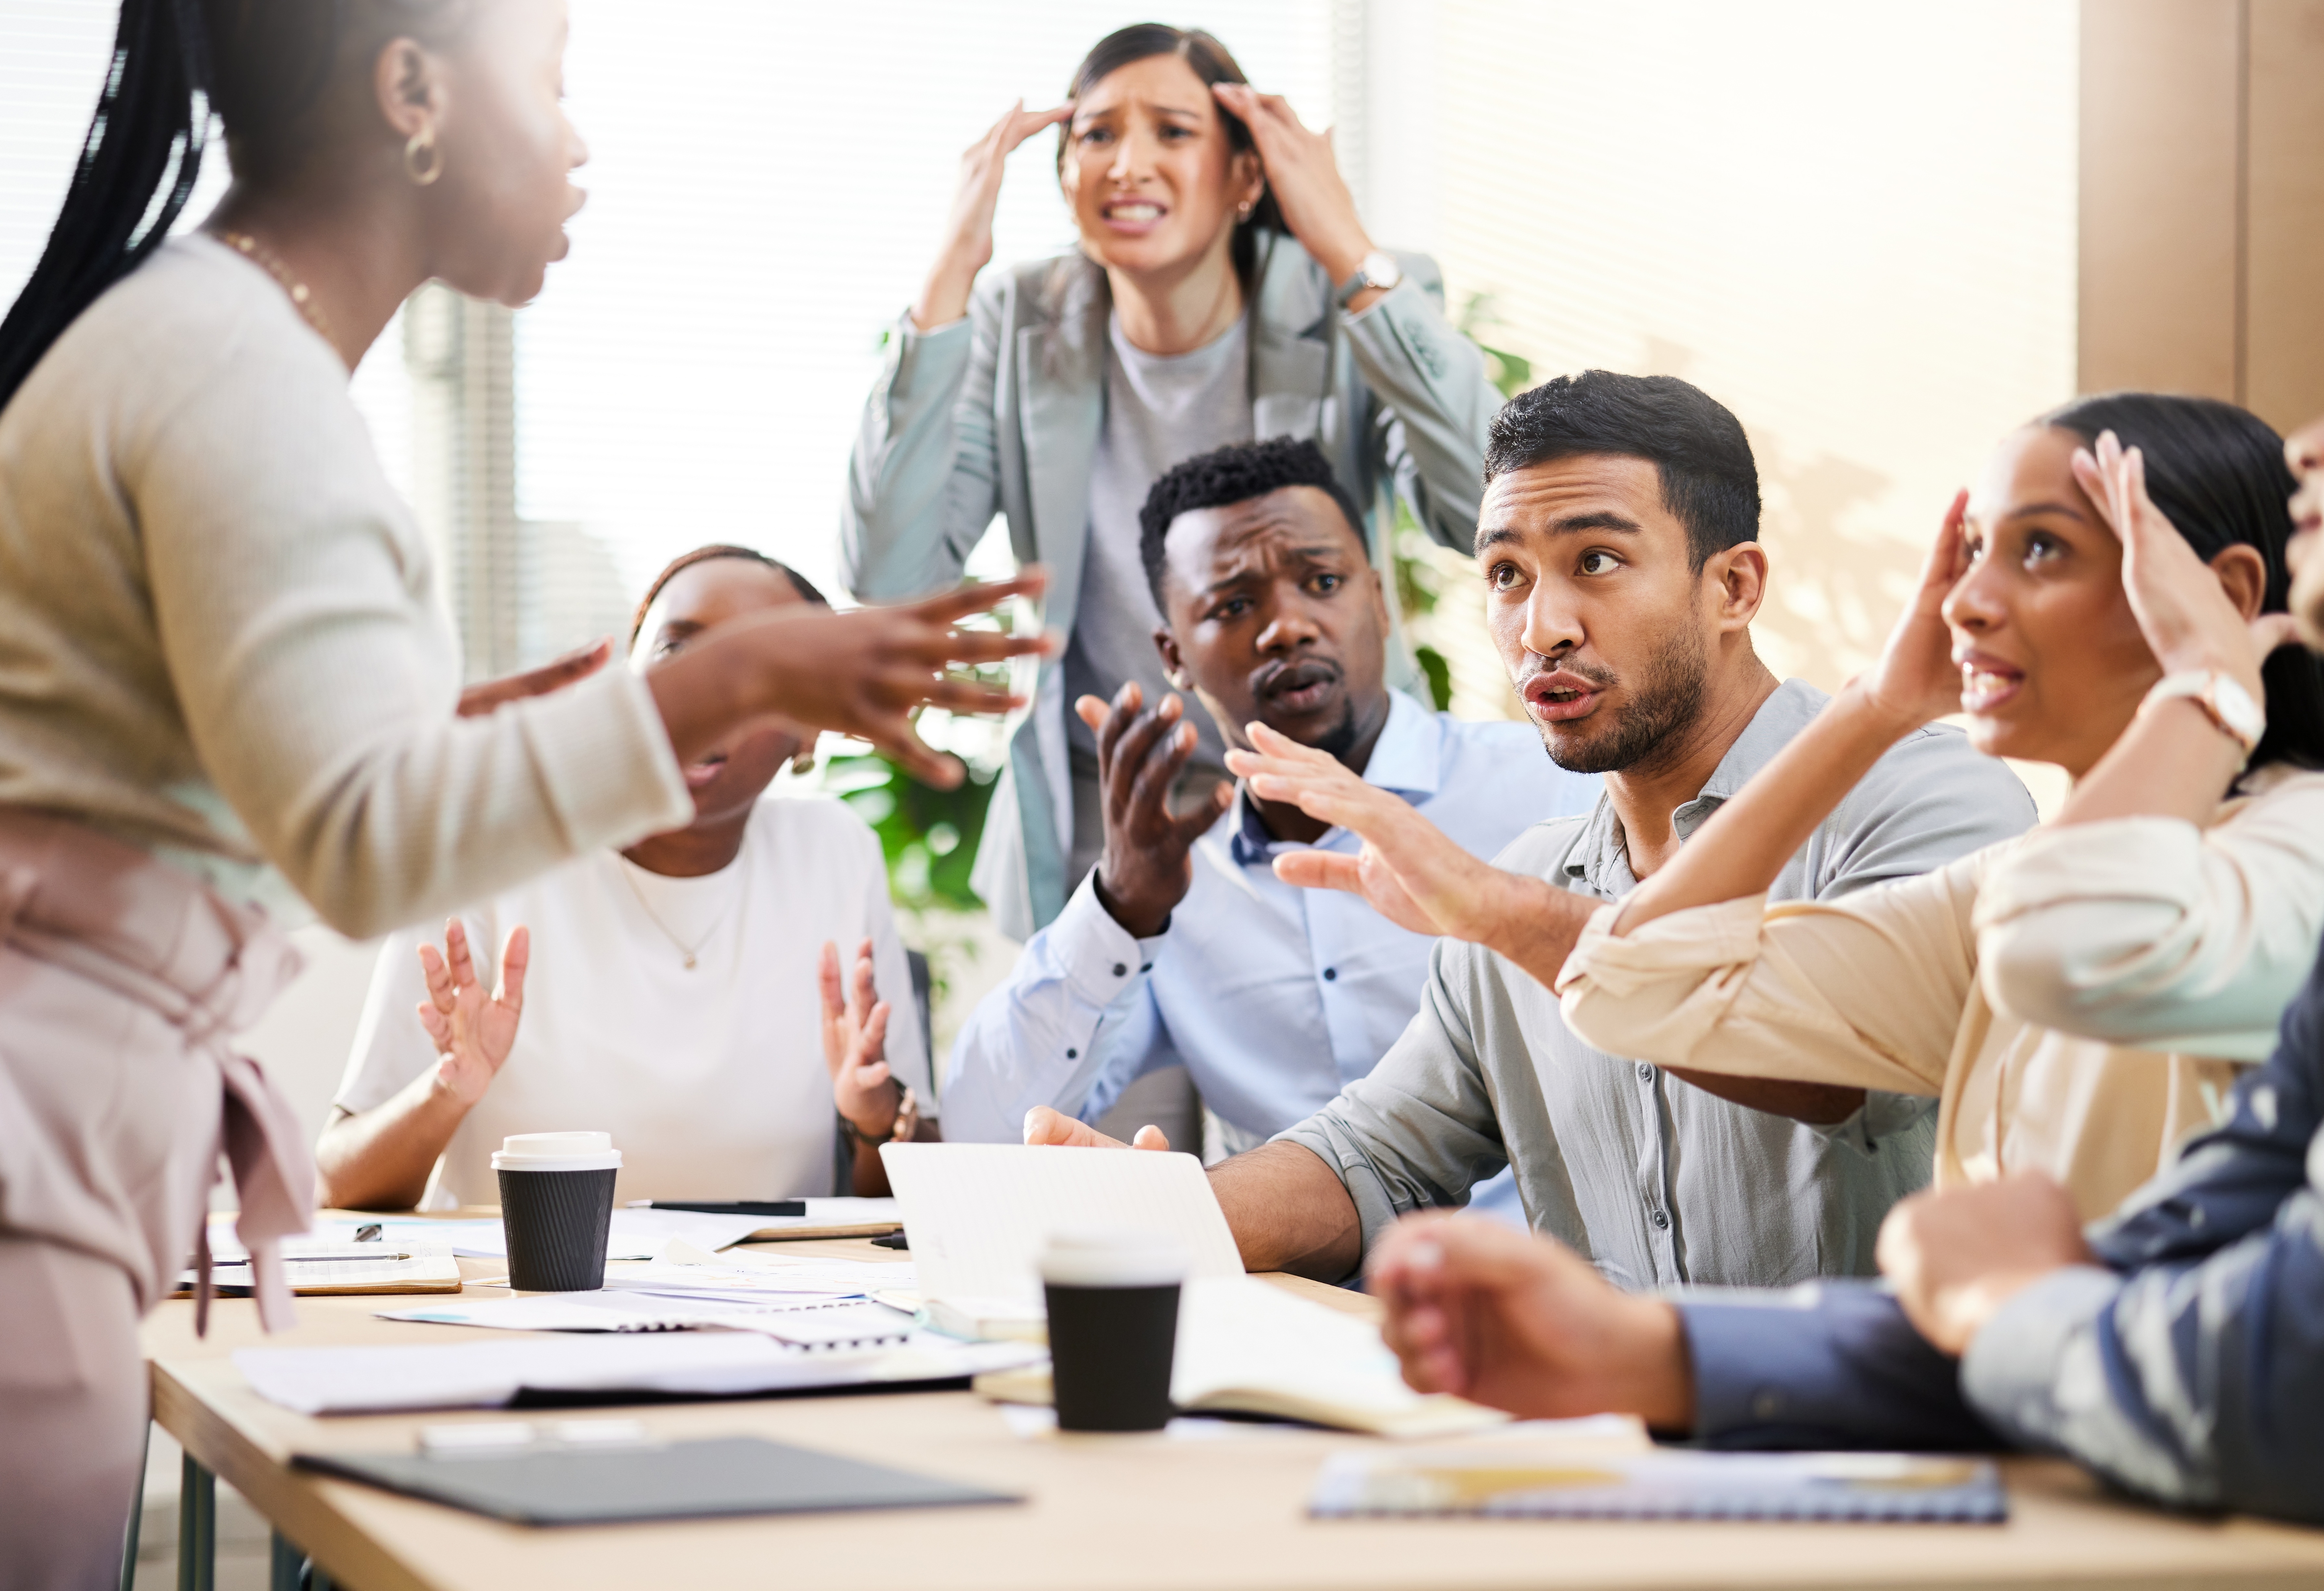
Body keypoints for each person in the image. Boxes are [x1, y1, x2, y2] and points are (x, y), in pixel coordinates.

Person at [0, 6, 1039, 1584]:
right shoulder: (235, 370)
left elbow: (220, 776)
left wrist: (452, 725)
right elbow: (363, 847)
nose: (575, 138)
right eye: (550, 81)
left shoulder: (211, 348)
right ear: (410, 90)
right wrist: (730, 685)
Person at [1361, 370, 2324, 1531]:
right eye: (1971, 554)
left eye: (2037, 551)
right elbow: (1630, 986)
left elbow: (2068, 948)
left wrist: (2206, 684)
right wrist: (1877, 703)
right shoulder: (2030, 890)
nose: (1966, 604)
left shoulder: (2322, 842)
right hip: (2048, 1511)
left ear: (2218, 593)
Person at [1024, 373, 2037, 1289]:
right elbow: (1376, 1156)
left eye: (1595, 560)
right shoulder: (1535, 875)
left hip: (1880, 1465)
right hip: (1600, 1454)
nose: (1541, 626)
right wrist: (1153, 1209)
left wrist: (1501, 915)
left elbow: (1842, 1070)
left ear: (1733, 587)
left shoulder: (1926, 795)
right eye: (1507, 574)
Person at [841, 22, 1501, 945]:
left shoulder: (1342, 299)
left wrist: (1351, 253)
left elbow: (1488, 509)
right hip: (1103, 827)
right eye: (1098, 135)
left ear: (1245, 176)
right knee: (1078, 1093)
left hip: (1325, 803)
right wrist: (951, 269)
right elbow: (891, 576)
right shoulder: (1018, 321)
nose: (1128, 163)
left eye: (1173, 132)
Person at [937, 439, 1595, 1172]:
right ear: (1173, 656)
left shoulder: (1557, 788)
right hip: (1279, 1282)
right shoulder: (1171, 896)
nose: (1287, 626)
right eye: (1235, 604)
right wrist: (1119, 910)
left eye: (1321, 581)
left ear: (1377, 601)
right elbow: (978, 1131)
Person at [321, 547, 935, 1210]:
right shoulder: (491, 844)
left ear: (811, 731)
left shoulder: (835, 852)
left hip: (773, 1304)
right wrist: (447, 1092)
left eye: (761, 668)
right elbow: (338, 1184)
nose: (713, 693)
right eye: (679, 652)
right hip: (525, 1299)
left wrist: (877, 1117)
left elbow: (920, 1191)